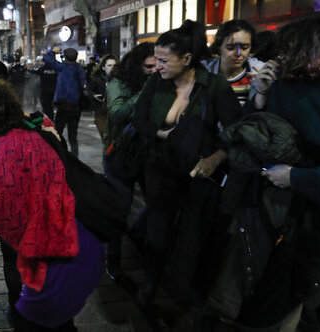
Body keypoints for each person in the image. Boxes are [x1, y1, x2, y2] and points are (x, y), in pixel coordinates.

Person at [0, 75, 103, 331]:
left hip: (48, 255)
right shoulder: (37, 125)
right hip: (77, 240)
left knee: (39, 322)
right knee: (60, 321)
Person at [253, 16, 320, 332]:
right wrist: (260, 96)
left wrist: (296, 178)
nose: (283, 57)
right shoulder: (290, 86)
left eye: (291, 48)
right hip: (310, 223)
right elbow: (260, 137)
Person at [132, 21, 241, 328]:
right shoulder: (157, 84)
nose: (158, 66)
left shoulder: (214, 86)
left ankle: (195, 295)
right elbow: (139, 118)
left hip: (199, 176)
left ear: (187, 59)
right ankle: (151, 284)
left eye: (164, 60)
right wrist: (163, 135)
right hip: (160, 172)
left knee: (194, 237)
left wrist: (216, 158)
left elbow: (236, 133)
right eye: (157, 59)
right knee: (158, 233)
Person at [102, 42, 157, 281]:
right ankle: (112, 260)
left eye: (158, 66)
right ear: (137, 65)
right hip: (123, 155)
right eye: (149, 67)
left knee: (157, 202)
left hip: (150, 154)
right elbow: (117, 114)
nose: (155, 71)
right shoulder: (120, 83)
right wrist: (145, 92)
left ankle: (138, 235)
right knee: (119, 209)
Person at [203, 19, 263, 105]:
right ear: (219, 47)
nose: (238, 53)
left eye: (245, 47)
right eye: (230, 47)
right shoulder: (203, 71)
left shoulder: (259, 71)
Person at [43, 47, 86, 157]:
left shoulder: (62, 67)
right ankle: (75, 158)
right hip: (76, 108)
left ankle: (58, 155)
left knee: (58, 133)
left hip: (63, 106)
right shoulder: (80, 70)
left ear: (65, 57)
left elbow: (47, 58)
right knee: (73, 136)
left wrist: (53, 51)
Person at [86, 54, 117, 142]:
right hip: (101, 112)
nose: (112, 68)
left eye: (114, 65)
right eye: (109, 65)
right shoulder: (97, 79)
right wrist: (95, 96)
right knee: (106, 139)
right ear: (103, 67)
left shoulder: (120, 79)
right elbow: (89, 90)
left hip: (115, 113)